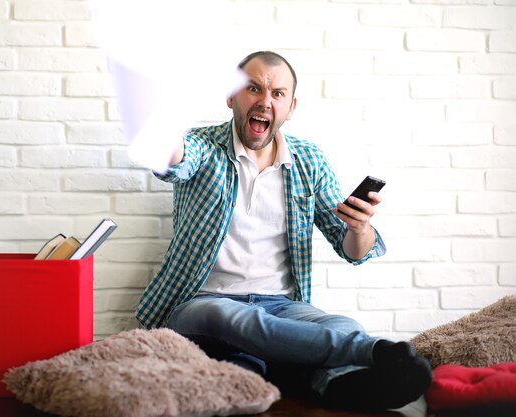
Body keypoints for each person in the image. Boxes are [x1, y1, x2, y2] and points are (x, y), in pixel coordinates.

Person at [135, 51, 432, 411]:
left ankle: (331, 385)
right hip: (202, 302)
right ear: (231, 97)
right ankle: (371, 349)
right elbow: (175, 160)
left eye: (277, 94)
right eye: (253, 88)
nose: (264, 101)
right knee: (229, 318)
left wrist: (360, 227)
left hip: (283, 307)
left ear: (290, 107)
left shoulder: (308, 161)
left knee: (339, 321)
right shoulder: (203, 146)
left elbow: (353, 250)